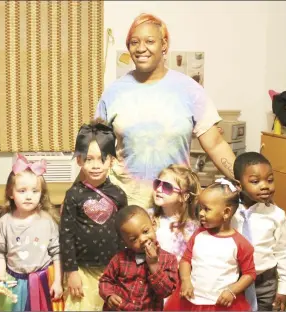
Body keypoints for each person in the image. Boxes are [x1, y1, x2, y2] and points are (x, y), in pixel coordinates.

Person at [94, 13, 236, 208]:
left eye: (149, 41)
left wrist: (244, 181)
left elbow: (216, 145)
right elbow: (97, 150)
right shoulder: (113, 93)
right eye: (134, 42)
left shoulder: (189, 90)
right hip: (126, 207)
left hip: (175, 206)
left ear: (164, 45)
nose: (141, 48)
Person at [60, 119, 128, 311]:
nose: (96, 165)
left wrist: (123, 271)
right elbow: (66, 236)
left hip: (112, 273)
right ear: (79, 160)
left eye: (102, 158)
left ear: (112, 161)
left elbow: (124, 236)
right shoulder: (73, 195)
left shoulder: (119, 195)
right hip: (82, 271)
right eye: (89, 159)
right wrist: (71, 272)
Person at [0, 154, 63, 312]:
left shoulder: (47, 221)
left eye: (35, 191)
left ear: (41, 194)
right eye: (22, 191)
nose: (29, 196)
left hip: (43, 281)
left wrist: (57, 282)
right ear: (11, 193)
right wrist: (1, 277)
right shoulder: (4, 222)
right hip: (14, 282)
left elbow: (57, 253)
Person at [165, 178, 256, 311]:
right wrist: (185, 280)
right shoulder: (198, 235)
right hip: (191, 302)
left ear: (226, 212)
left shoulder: (240, 244)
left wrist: (232, 291)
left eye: (206, 209)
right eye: (200, 208)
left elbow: (249, 274)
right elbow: (185, 260)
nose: (201, 213)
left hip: (221, 305)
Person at [231, 152, 286, 311]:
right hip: (232, 281)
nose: (265, 186)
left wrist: (285, 288)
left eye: (270, 180)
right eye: (255, 181)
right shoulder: (229, 211)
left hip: (265, 284)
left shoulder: (276, 215)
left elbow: (284, 252)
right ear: (239, 185)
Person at [99, 205, 178, 311]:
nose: (143, 239)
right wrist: (109, 295)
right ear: (125, 242)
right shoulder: (119, 259)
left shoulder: (169, 259)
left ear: (154, 224)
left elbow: (166, 291)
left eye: (145, 231)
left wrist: (154, 265)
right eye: (133, 239)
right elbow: (105, 280)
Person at [148, 164, 200, 261]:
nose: (159, 189)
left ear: (184, 196)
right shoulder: (147, 217)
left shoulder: (191, 228)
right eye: (157, 183)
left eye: (167, 187)